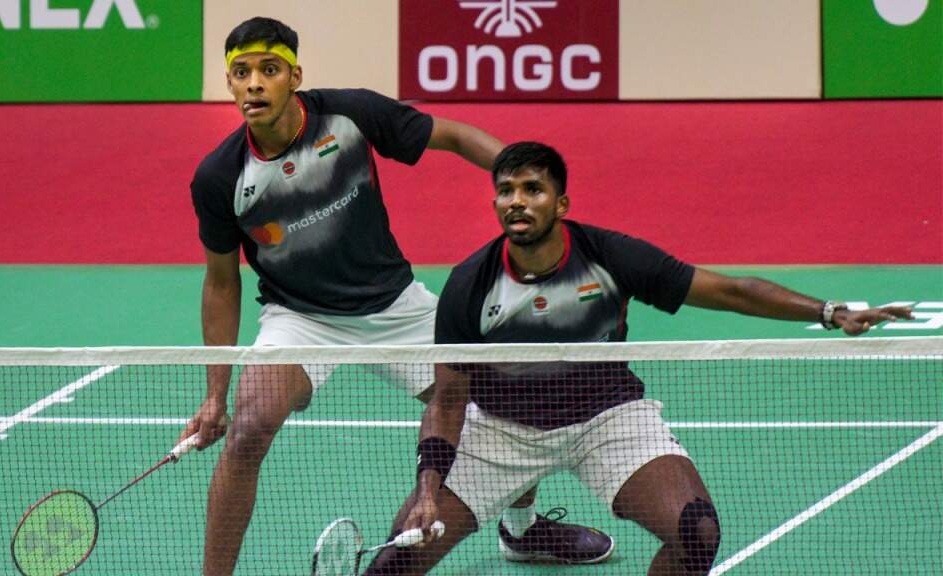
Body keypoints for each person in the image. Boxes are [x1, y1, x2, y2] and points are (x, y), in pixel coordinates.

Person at [179, 18, 612, 575]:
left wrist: (527, 182)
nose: (255, 83)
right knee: (247, 429)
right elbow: (221, 282)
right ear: (230, 84)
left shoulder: (348, 116)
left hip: (395, 307)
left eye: (269, 70)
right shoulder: (220, 177)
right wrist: (215, 394)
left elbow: (452, 135)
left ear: (295, 76)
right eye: (241, 73)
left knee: (506, 402)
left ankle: (522, 529)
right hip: (301, 318)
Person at [364, 141, 914, 575]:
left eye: (533, 189)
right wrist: (428, 491)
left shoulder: (610, 258)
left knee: (696, 533)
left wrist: (829, 311)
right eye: (505, 190)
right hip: (502, 431)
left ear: (561, 204)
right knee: (395, 563)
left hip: (608, 420)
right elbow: (448, 399)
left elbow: (729, 291)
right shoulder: (470, 284)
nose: (517, 201)